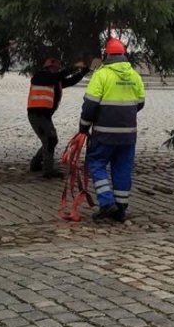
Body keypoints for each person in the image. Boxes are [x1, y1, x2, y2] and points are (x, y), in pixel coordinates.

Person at [79, 37, 145, 222]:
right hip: (128, 135)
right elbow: (140, 103)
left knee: (96, 163)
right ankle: (121, 209)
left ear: (106, 55)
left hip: (104, 133)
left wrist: (83, 128)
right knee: (122, 168)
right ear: (123, 54)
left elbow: (90, 105)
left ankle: (107, 203)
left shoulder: (101, 75)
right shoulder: (134, 75)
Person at [27, 56, 90, 177]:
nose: (56, 70)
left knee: (51, 140)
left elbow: (69, 81)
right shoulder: (39, 77)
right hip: (37, 115)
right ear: (48, 67)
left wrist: (82, 73)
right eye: (55, 68)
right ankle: (48, 170)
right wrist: (70, 69)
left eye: (57, 68)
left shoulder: (55, 80)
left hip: (44, 115)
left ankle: (36, 164)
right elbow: (54, 78)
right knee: (50, 139)